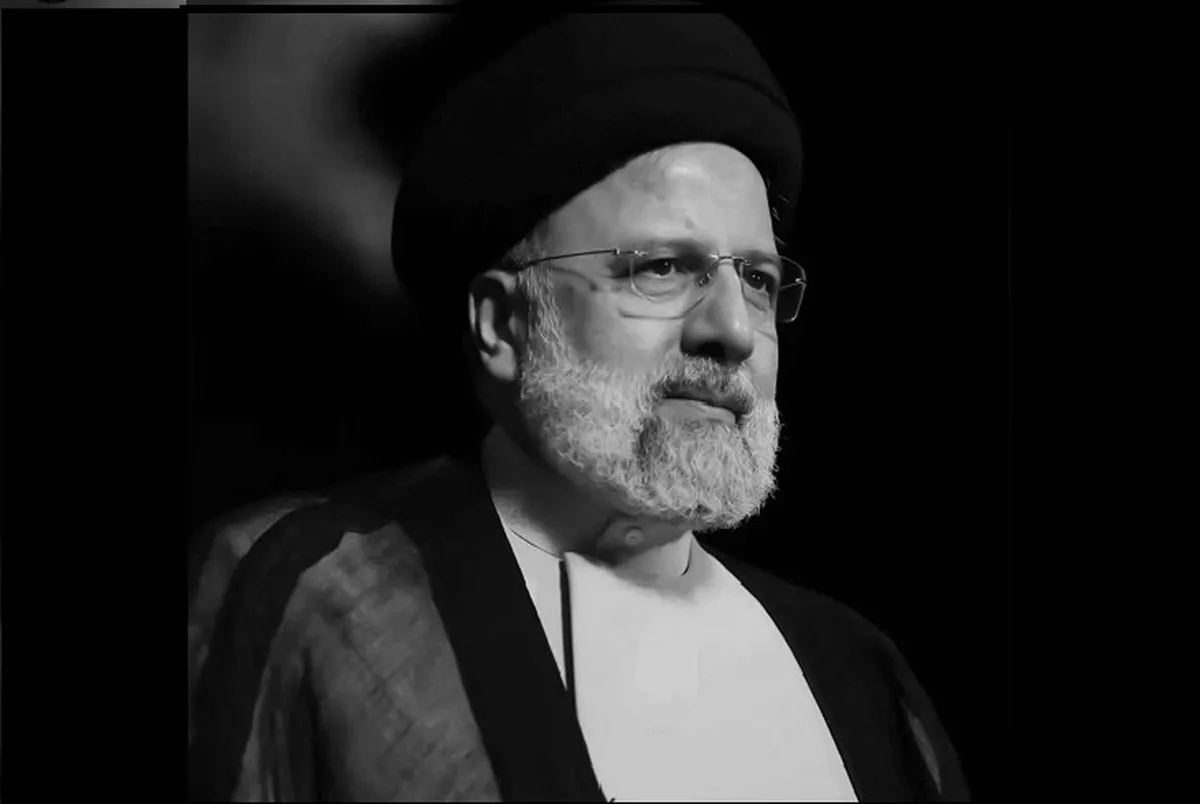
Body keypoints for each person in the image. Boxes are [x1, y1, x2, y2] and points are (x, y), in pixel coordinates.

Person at [187, 8, 971, 802]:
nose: (734, 331)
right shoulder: (322, 596)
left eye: (759, 282)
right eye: (663, 269)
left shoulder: (856, 678)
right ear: (503, 323)